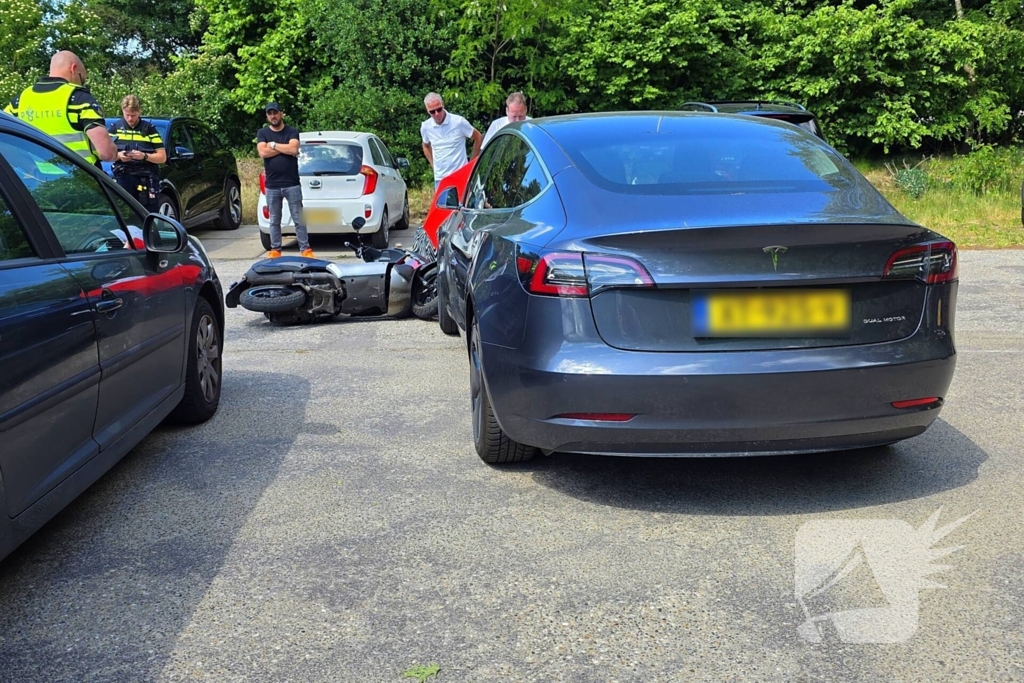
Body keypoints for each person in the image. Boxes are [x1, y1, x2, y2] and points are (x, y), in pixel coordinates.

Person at [4, 51, 117, 166]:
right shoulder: (79, 99)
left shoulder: (20, 100)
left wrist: (30, 170)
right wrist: (115, 153)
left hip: (37, 181)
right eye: (82, 78)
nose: (82, 83)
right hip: (80, 179)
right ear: (73, 68)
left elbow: (4, 143)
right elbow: (106, 153)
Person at [257, 102, 312, 259]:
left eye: (275, 113)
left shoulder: (292, 131)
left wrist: (273, 145)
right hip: (272, 185)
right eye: (270, 113)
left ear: (281, 113)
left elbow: (293, 149)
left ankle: (305, 249)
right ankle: (276, 250)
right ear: (267, 116)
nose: (273, 116)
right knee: (274, 220)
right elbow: (263, 153)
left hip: (292, 183)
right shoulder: (262, 133)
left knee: (298, 219)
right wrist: (283, 148)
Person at [108, 95, 166, 212]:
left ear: (139, 111)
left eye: (133, 115)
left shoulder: (149, 129)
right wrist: (118, 156)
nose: (130, 119)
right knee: (124, 213)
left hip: (146, 178)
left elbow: (162, 157)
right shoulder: (115, 129)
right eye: (127, 115)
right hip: (123, 177)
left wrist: (144, 156)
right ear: (122, 111)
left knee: (148, 214)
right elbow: (104, 154)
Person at [420, 92, 482, 189]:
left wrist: (471, 165)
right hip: (441, 179)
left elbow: (478, 137)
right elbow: (425, 145)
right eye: (432, 111)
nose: (437, 114)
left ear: (443, 105)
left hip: (461, 176)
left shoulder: (458, 122)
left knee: (463, 204)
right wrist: (434, 166)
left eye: (439, 109)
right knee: (441, 205)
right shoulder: (426, 127)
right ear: (427, 111)